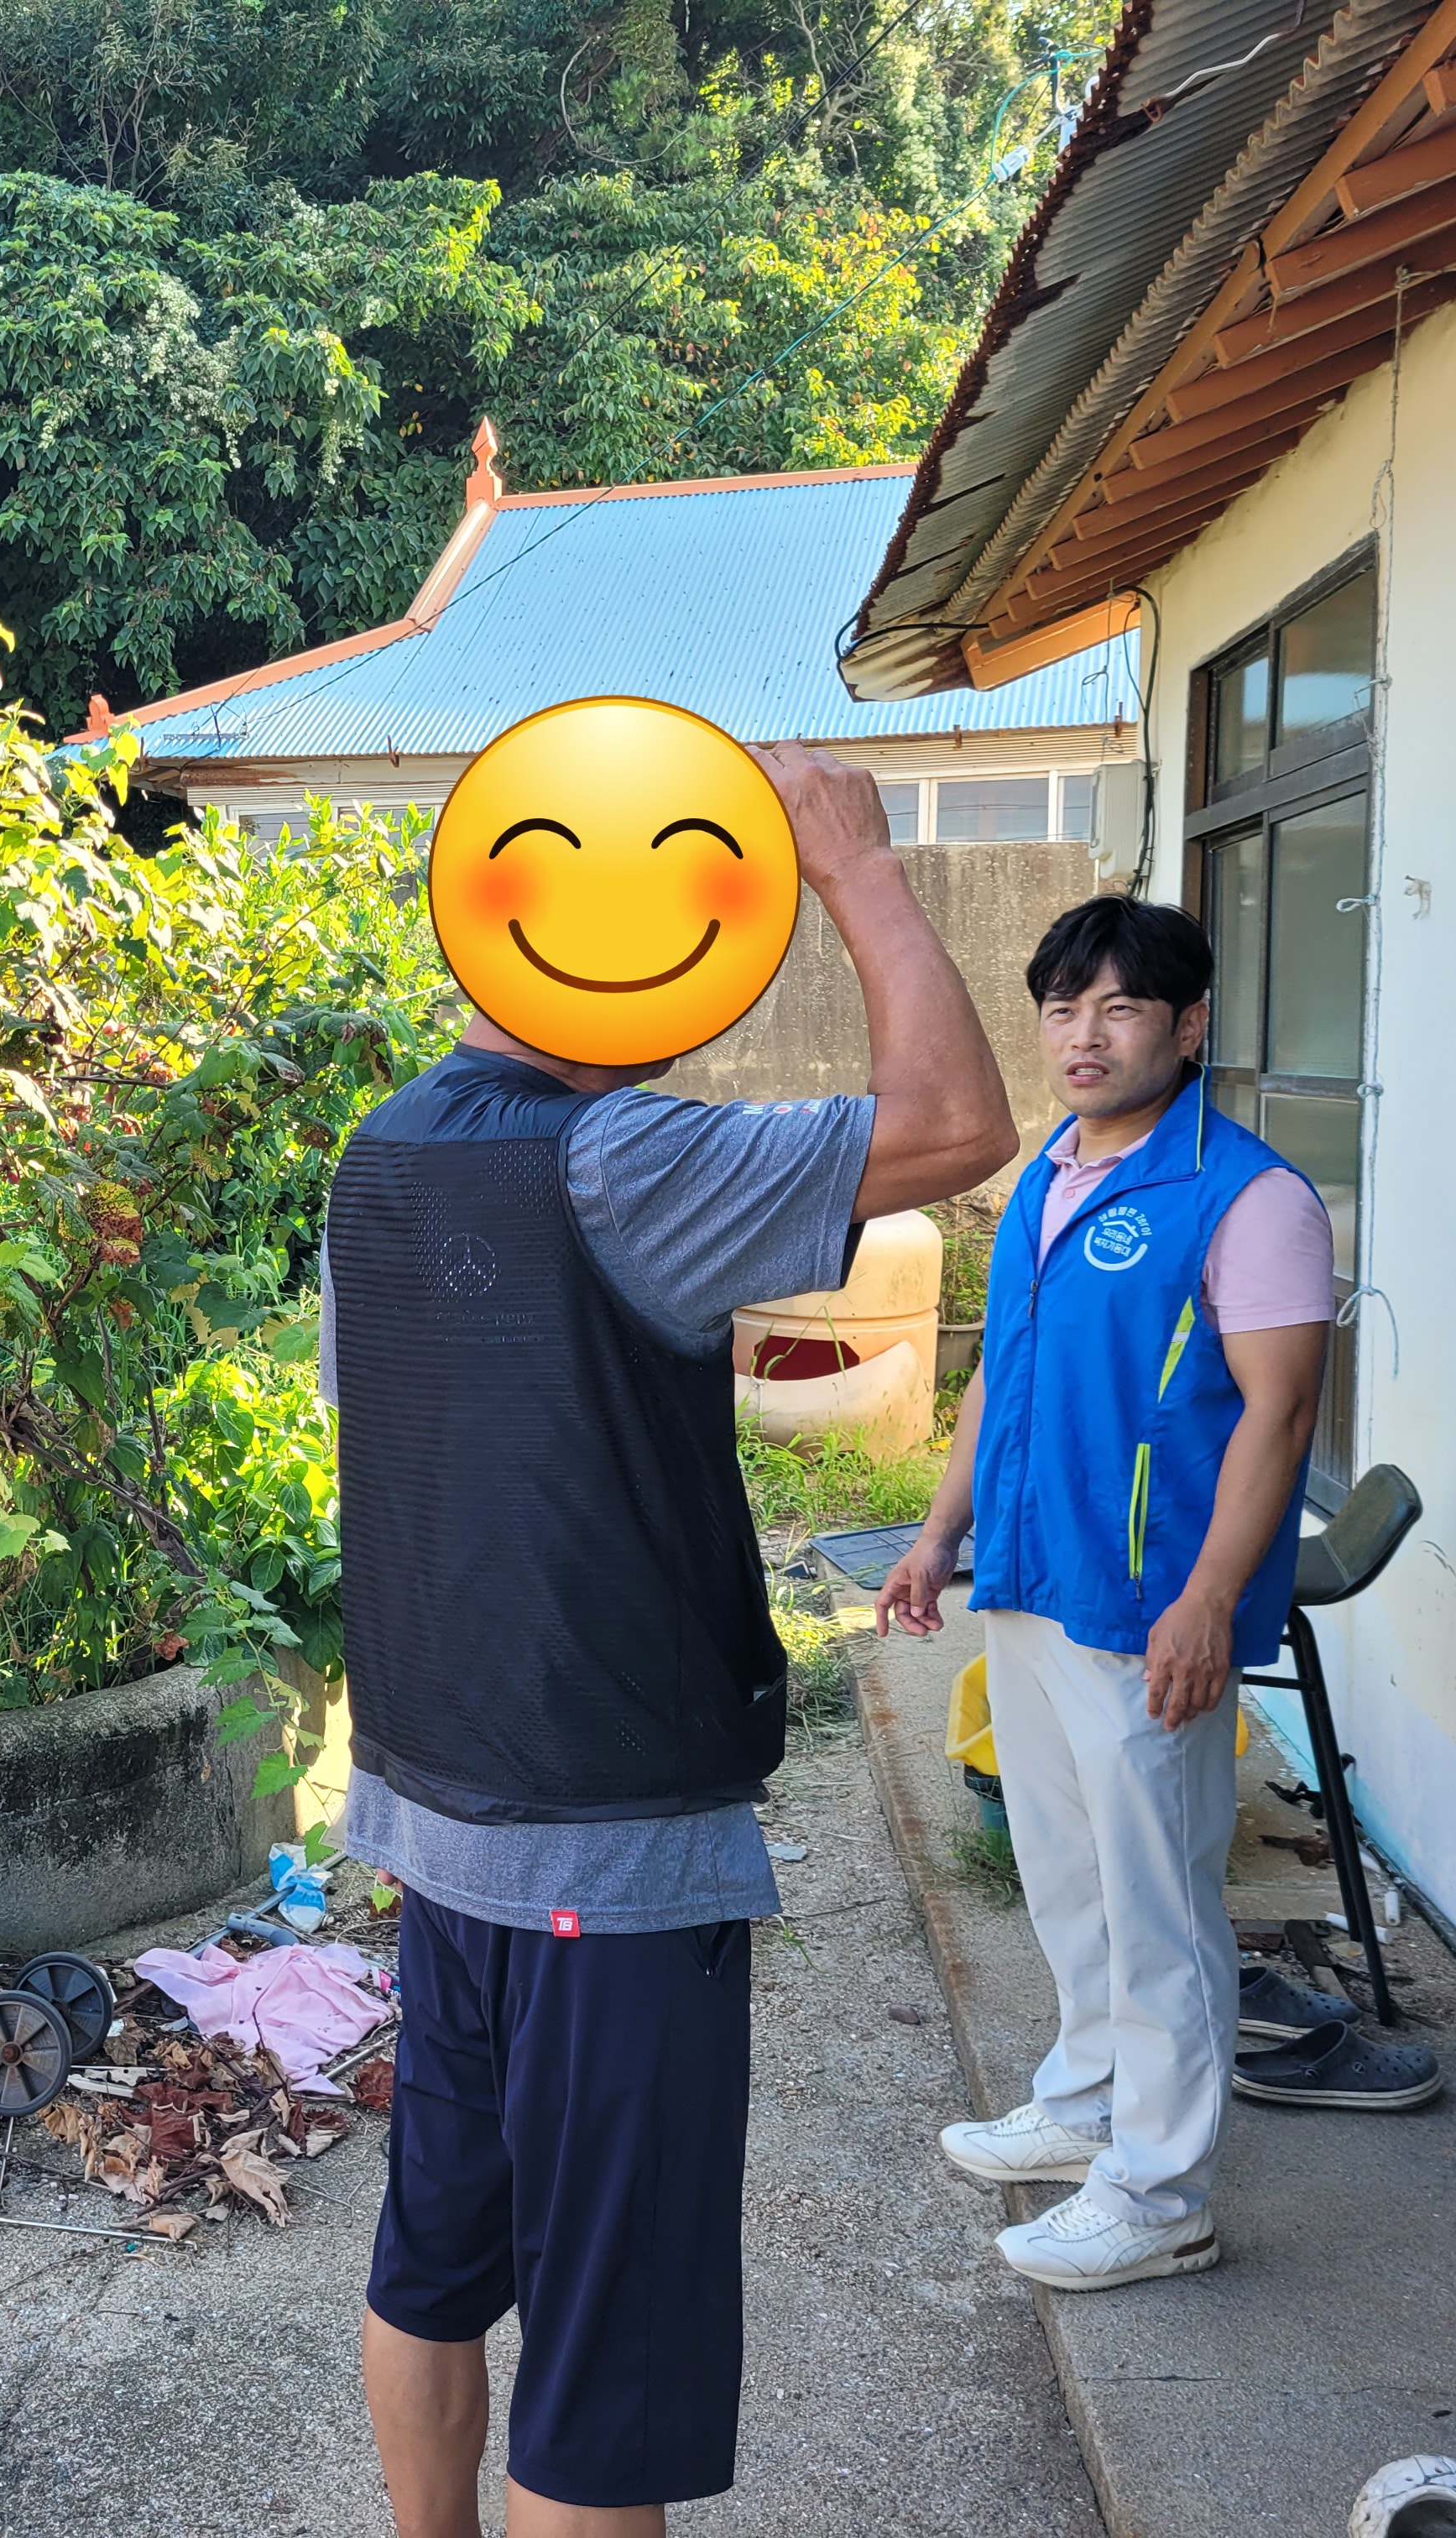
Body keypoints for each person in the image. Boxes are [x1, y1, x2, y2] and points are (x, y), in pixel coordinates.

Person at [324, 744, 1019, 2538]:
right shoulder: (623, 1154)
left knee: (433, 2263)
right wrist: (854, 864)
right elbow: (959, 1122)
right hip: (609, 1850)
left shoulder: (378, 1151)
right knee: (604, 2379)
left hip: (437, 1820)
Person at [876, 897, 1335, 2292]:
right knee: (1068, 1877)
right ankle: (1086, 2104)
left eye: (1120, 1006)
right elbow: (998, 1377)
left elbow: (1281, 1414)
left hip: (1149, 1610)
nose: (1085, 1034)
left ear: (1187, 1027)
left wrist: (1209, 1601)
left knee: (1161, 1908)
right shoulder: (1048, 1175)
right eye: (1064, 1007)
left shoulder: (1249, 1198)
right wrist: (938, 1533)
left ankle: (1160, 2193)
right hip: (1031, 1575)